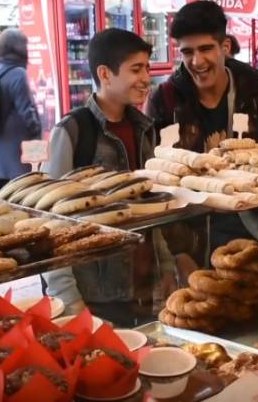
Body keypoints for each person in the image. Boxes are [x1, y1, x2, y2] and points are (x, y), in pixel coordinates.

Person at [43, 28, 177, 325]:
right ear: (105, 74)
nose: (146, 78)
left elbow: (155, 203)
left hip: (145, 288)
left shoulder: (145, 129)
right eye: (136, 69)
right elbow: (51, 224)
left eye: (147, 67)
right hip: (97, 294)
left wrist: (166, 267)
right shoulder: (73, 132)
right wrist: (68, 299)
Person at [146, 0, 258, 253]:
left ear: (225, 46)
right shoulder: (165, 100)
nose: (197, 61)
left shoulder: (254, 89)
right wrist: (178, 254)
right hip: (195, 238)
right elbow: (159, 181)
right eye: (187, 52)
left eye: (206, 48)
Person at [0, 29, 42, 196]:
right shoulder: (17, 73)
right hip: (14, 140)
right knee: (19, 188)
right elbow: (26, 109)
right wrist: (36, 132)